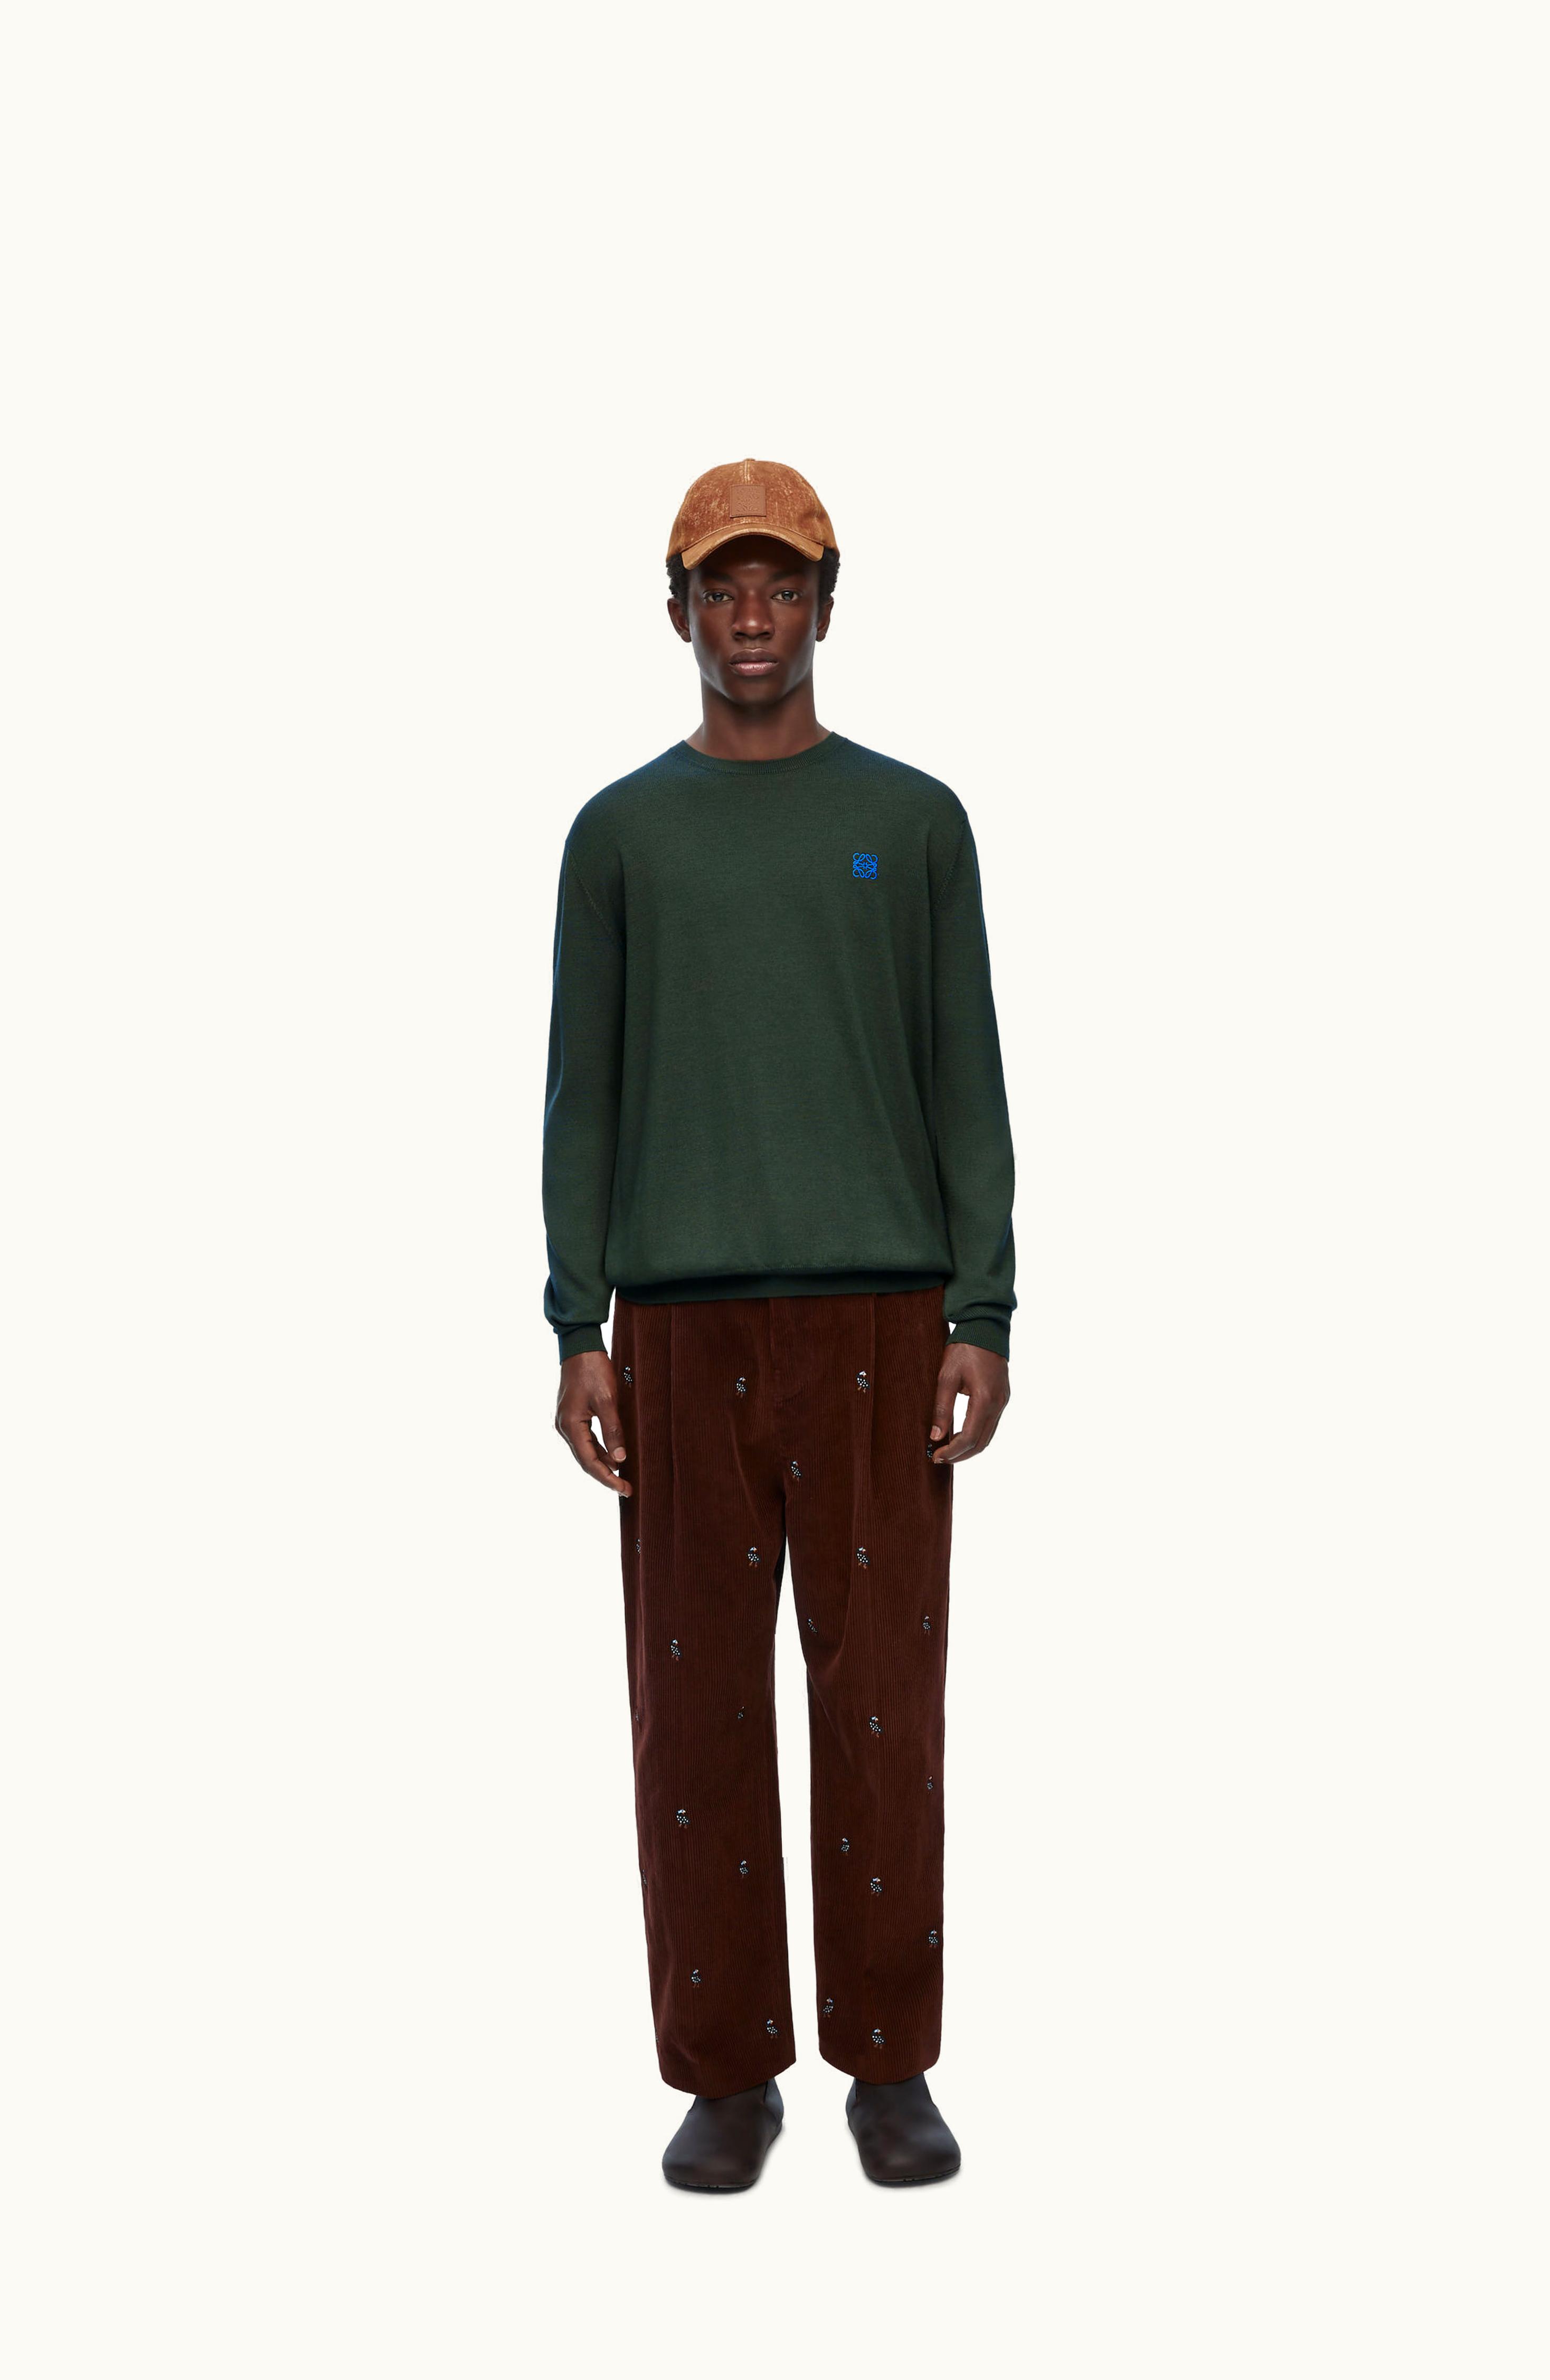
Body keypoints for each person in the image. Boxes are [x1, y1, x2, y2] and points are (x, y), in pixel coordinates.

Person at [543, 458, 1015, 2190]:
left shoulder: (919, 820)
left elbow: (966, 1076)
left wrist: (984, 1305)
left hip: (884, 1319)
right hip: (676, 1327)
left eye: (783, 586)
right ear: (676, 611)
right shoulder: (619, 836)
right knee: (694, 1715)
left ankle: (889, 2059)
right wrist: (576, 1325)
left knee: (883, 1700)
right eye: (723, 588)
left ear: (827, 604)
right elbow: (582, 1093)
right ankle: (727, 2070)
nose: (753, 618)